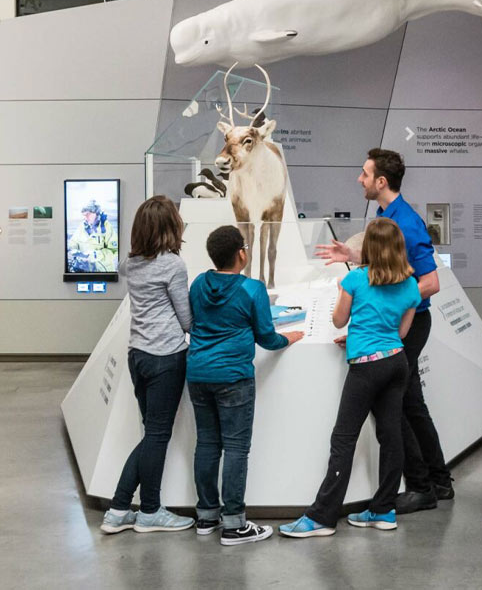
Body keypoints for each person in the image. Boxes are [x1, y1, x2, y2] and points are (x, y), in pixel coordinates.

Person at [316, 148, 453, 514]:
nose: (359, 179)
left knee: (400, 410)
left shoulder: (406, 223)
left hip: (410, 323)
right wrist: (355, 256)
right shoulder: (385, 215)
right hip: (399, 323)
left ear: (381, 181)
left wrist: (383, 315)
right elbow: (391, 270)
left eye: (364, 174)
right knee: (412, 405)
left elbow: (430, 282)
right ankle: (438, 481)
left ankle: (424, 486)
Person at [279, 217, 421, 537]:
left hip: (365, 368)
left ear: (368, 247)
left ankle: (322, 517)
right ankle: (384, 509)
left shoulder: (356, 280)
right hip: (396, 363)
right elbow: (399, 332)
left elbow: (340, 319)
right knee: (390, 436)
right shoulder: (411, 285)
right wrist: (366, 334)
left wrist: (356, 333)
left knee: (343, 439)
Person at [187, 225, 303, 546]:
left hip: (198, 373)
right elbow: (267, 337)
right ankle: (235, 524)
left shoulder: (198, 284)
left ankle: (207, 515)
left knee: (207, 444)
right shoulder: (252, 289)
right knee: (236, 447)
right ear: (242, 253)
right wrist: (289, 337)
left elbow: (194, 320)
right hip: (233, 376)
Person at [100, 195, 195, 534]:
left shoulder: (130, 265)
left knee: (151, 434)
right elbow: (186, 320)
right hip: (165, 357)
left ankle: (121, 509)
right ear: (172, 227)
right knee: (156, 436)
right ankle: (146, 510)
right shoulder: (173, 265)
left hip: (137, 355)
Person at [67, 199, 119, 272]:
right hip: (86, 271)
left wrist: (95, 255)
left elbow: (114, 250)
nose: (85, 218)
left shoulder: (106, 227)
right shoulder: (82, 226)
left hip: (104, 272)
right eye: (84, 215)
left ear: (96, 213)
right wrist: (74, 250)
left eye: (87, 214)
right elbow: (73, 242)